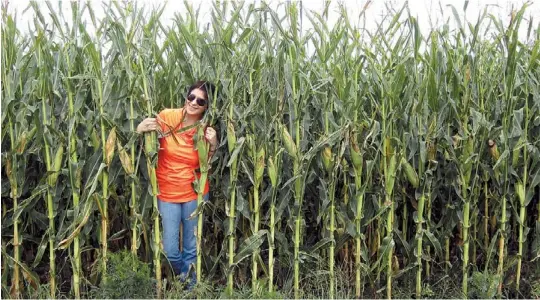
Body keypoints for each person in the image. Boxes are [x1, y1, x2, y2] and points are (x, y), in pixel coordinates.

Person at [136, 80, 218, 288]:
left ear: (207, 106)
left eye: (200, 101)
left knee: (192, 247)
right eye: (191, 97)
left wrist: (214, 144)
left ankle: (189, 291)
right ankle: (185, 276)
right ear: (186, 97)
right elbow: (147, 144)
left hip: (195, 193)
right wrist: (140, 128)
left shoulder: (206, 128)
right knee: (170, 249)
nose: (194, 102)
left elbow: (206, 163)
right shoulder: (166, 117)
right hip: (167, 191)